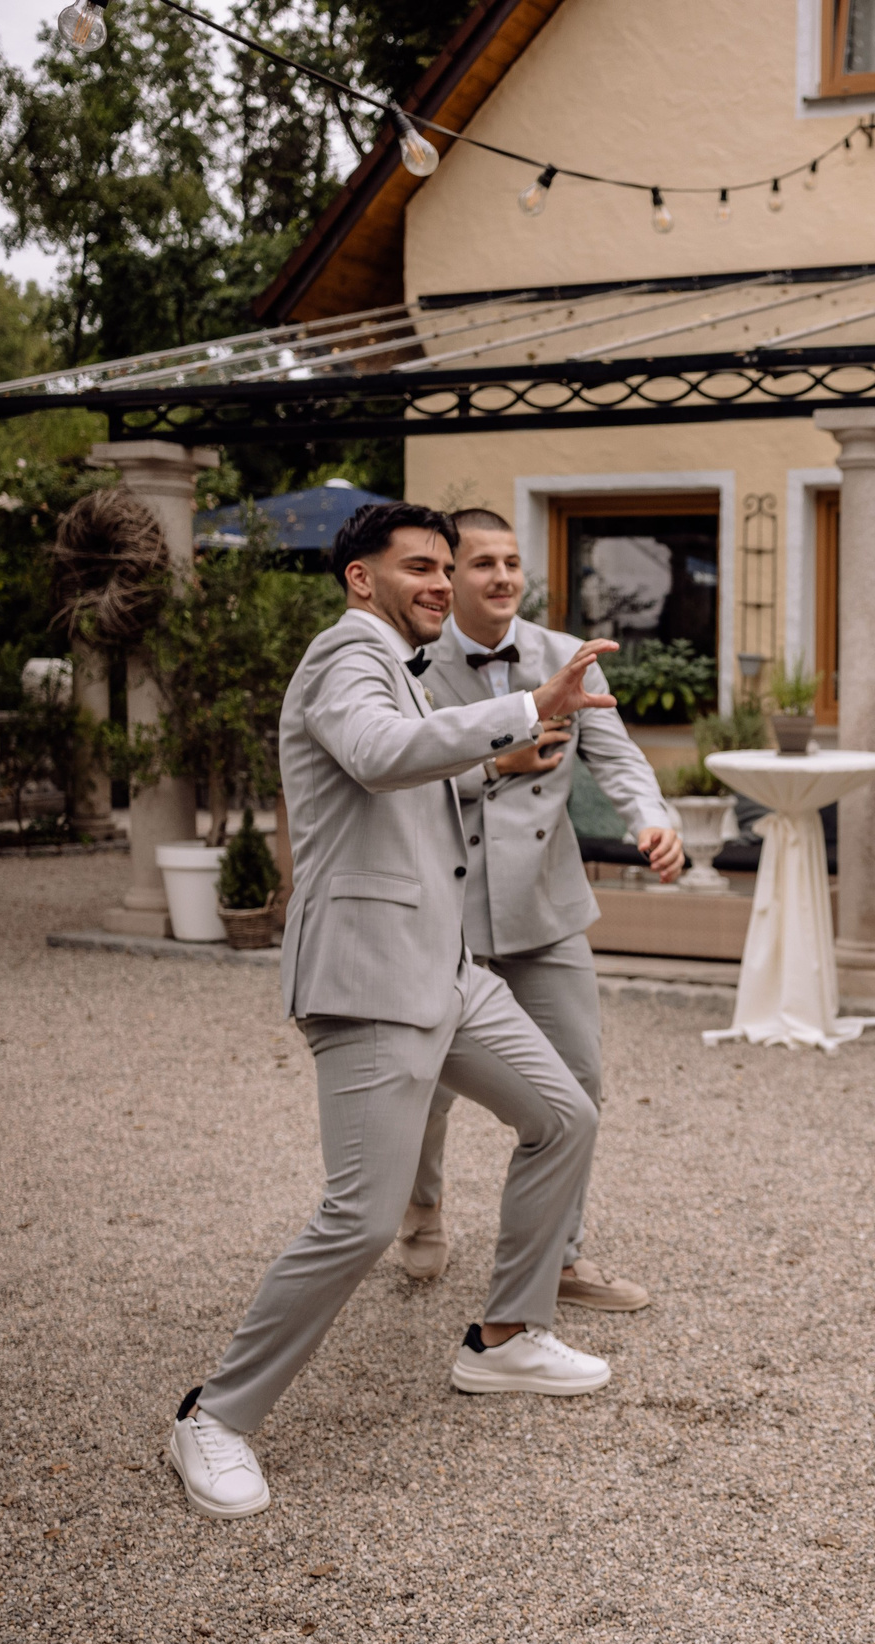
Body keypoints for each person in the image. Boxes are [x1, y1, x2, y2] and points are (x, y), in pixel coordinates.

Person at [170, 503, 623, 1521]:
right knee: (363, 1216)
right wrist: (519, 711)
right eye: (418, 567)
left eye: (445, 567)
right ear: (359, 580)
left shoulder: (396, 667)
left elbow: (400, 780)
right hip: (371, 981)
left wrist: (486, 767)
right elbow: (377, 754)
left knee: (564, 1115)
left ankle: (507, 1337)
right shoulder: (345, 655)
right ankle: (215, 1414)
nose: (439, 580)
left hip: (445, 970)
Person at [391, 507, 682, 1309]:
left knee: (579, 1083)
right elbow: (393, 776)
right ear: (451, 576)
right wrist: (491, 763)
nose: (502, 577)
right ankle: (421, 1206)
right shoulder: (409, 663)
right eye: (481, 563)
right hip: (444, 915)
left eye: (512, 562)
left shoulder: (567, 657)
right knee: (429, 1085)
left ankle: (561, 1255)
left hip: (546, 910)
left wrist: (654, 822)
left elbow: (620, 758)